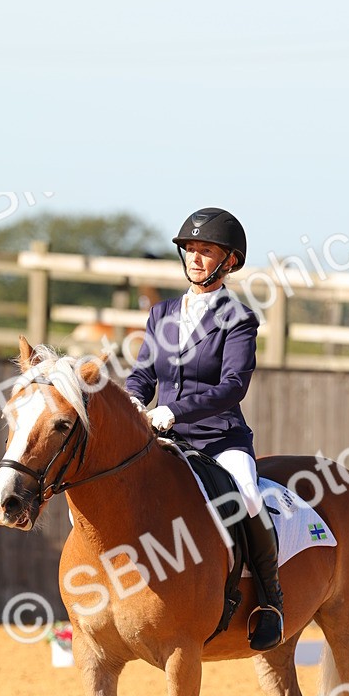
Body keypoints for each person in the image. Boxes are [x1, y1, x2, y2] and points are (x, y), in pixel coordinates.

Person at [125, 207, 284, 651]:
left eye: (206, 250)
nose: (195, 258)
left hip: (218, 436)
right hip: (164, 435)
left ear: (229, 261)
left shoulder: (239, 319)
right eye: (190, 249)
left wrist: (173, 411)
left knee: (248, 495)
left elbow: (233, 386)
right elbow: (142, 373)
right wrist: (134, 401)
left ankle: (270, 601)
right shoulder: (162, 314)